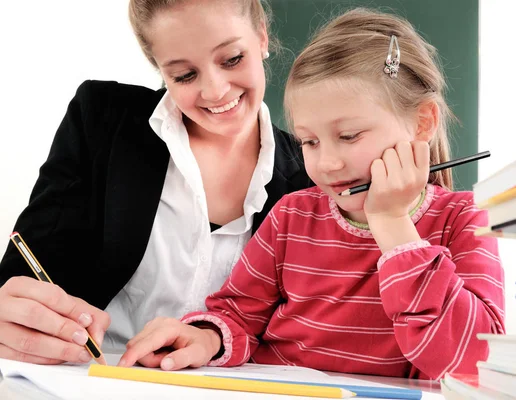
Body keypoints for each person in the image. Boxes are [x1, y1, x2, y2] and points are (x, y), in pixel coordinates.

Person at [119, 7, 506, 380]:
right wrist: (206, 337)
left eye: (349, 136)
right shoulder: (291, 216)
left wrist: (391, 223)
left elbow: (474, 361)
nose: (327, 164)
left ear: (422, 122)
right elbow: (238, 315)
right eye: (309, 141)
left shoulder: (463, 220)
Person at [0, 0, 312, 365]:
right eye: (184, 75)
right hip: (98, 380)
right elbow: (27, 276)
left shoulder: (315, 173)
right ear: (160, 69)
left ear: (261, 36)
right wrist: (15, 314)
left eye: (231, 59)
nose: (214, 91)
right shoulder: (101, 122)